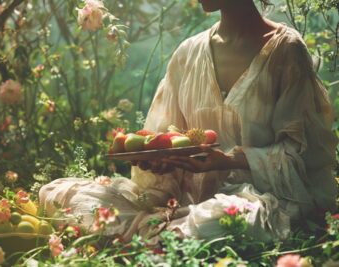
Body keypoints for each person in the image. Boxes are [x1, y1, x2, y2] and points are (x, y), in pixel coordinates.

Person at [39, 0, 338, 241]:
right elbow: (165, 135)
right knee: (58, 193)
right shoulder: (188, 52)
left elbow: (303, 155)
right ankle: (159, 231)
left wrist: (229, 161)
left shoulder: (285, 50)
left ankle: (151, 234)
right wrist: (160, 162)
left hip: (259, 199)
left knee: (222, 221)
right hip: (184, 198)